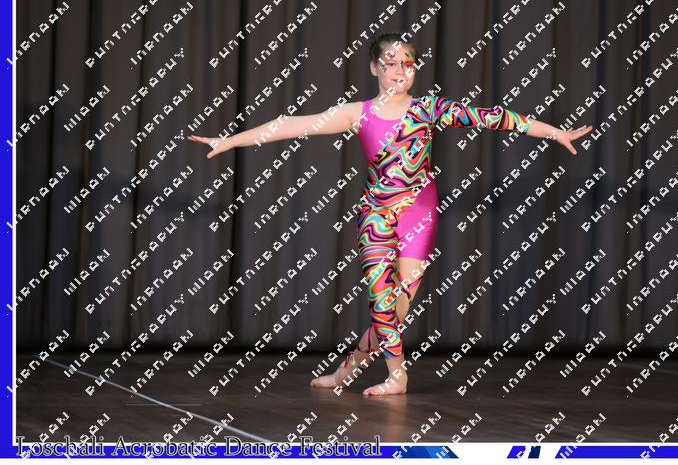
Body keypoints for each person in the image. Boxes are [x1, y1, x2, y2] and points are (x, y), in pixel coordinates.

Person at [189, 32, 593, 396]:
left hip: (419, 215)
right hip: (377, 216)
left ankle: (346, 371)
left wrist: (554, 132)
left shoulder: (429, 109)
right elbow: (290, 124)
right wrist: (230, 141)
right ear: (374, 67)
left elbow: (493, 118)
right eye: (391, 62)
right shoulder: (357, 113)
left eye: (408, 63)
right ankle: (397, 375)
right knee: (382, 302)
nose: (400, 70)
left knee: (397, 308)